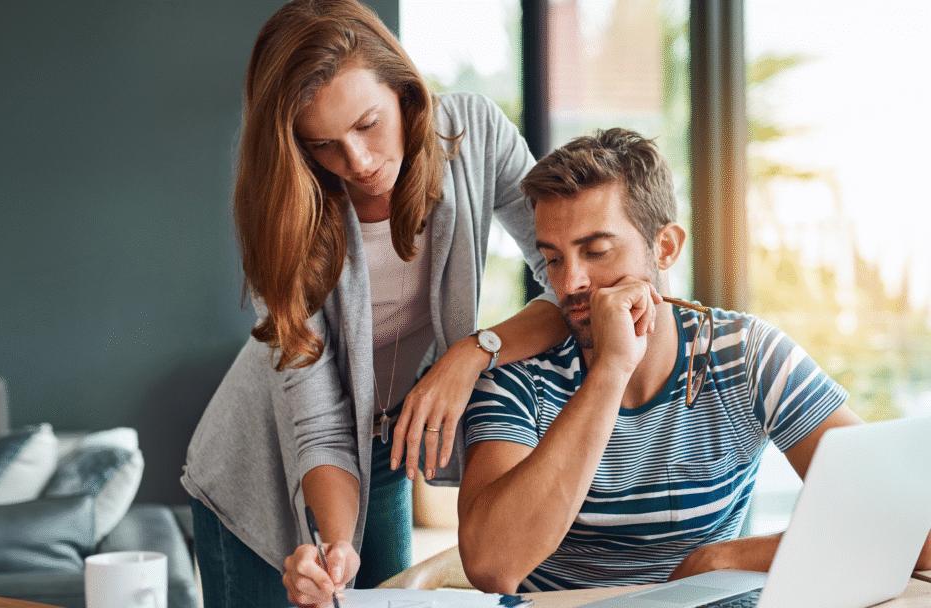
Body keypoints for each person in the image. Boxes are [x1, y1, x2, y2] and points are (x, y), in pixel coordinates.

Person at [180, 1, 568, 606]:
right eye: (323, 145)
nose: (357, 164)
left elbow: (566, 279)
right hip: (260, 466)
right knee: (336, 584)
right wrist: (335, 549)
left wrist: (474, 352)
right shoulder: (285, 215)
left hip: (384, 446)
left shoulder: (475, 135)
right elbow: (315, 420)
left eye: (367, 124)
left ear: (405, 92)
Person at [456, 127, 931, 593]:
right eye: (553, 258)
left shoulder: (744, 355)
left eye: (596, 250)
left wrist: (725, 557)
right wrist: (611, 370)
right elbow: (492, 566)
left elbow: (914, 529)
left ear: (665, 248)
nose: (571, 281)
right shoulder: (517, 375)